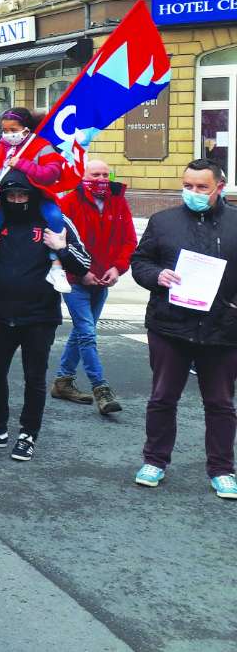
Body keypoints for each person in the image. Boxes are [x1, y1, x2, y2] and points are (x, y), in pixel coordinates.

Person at [0, 169, 91, 462]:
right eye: (11, 195)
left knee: (34, 378)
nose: (17, 200)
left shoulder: (52, 219)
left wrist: (62, 248)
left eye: (22, 194)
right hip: (0, 314)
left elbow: (84, 263)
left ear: (32, 194)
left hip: (39, 316)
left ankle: (28, 434)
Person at [130, 159, 237, 498]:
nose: (192, 193)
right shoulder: (163, 221)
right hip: (169, 325)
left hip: (223, 329)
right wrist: (155, 276)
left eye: (201, 187)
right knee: (163, 397)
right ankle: (155, 461)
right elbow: (140, 261)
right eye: (187, 186)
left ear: (220, 187)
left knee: (220, 402)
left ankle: (221, 469)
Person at [52, 159, 135, 415]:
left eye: (104, 174)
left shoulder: (118, 201)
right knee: (87, 333)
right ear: (83, 176)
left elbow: (129, 240)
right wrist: (82, 272)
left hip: (104, 280)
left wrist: (117, 268)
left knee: (81, 332)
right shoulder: (67, 204)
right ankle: (101, 388)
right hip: (77, 281)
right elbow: (61, 245)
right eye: (95, 174)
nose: (100, 179)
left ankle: (63, 381)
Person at [0, 107, 69, 294]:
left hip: (38, 197)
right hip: (7, 200)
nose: (9, 134)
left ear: (26, 128)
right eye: (5, 130)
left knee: (55, 217)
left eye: (14, 130)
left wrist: (22, 164)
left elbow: (51, 173)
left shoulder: (42, 146)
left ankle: (56, 268)